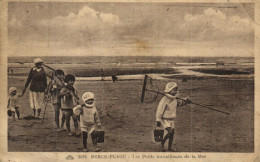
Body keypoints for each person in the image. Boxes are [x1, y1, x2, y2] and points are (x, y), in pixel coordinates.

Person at [156, 82, 191, 152]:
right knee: (170, 132)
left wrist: (186, 101)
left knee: (172, 134)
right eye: (174, 90)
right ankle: (162, 143)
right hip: (164, 119)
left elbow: (179, 103)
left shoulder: (174, 99)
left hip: (172, 119)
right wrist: (158, 119)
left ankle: (169, 147)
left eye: (176, 90)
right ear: (169, 90)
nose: (176, 91)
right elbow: (160, 110)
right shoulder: (164, 99)